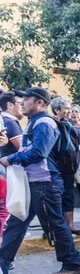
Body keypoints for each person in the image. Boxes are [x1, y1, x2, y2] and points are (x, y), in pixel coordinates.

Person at [0, 87, 80, 274]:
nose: (22, 102)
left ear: (40, 102)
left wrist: (11, 159)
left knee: (55, 223)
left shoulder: (45, 123)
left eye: (27, 98)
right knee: (16, 224)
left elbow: (39, 153)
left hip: (46, 183)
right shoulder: (34, 122)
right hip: (35, 183)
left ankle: (73, 263)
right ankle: (1, 267)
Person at [50, 97, 80, 236]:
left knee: (68, 196)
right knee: (55, 197)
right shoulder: (52, 123)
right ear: (57, 110)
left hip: (69, 166)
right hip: (56, 166)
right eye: (66, 109)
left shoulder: (69, 125)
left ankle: (70, 225)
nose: (69, 112)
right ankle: (53, 226)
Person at [0, 92, 24, 236]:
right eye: (20, 103)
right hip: (5, 171)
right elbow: (22, 149)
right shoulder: (9, 121)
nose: (22, 106)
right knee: (4, 207)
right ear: (9, 105)